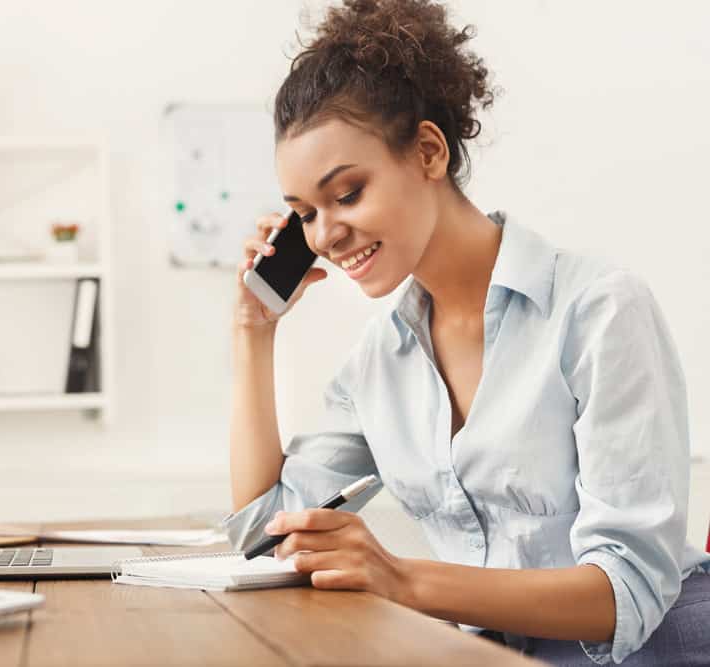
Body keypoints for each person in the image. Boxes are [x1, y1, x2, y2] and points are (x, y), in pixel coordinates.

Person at [223, 1, 710, 664]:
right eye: (304, 213)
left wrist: (402, 579)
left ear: (428, 151)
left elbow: (626, 591)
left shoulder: (597, 308)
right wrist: (253, 330)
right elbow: (262, 530)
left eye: (348, 192)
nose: (325, 234)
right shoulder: (382, 360)